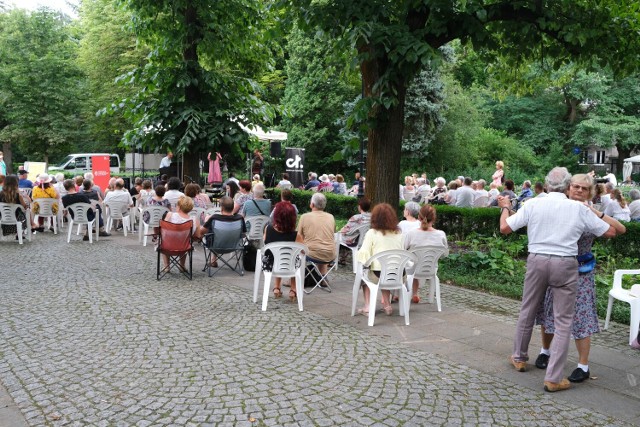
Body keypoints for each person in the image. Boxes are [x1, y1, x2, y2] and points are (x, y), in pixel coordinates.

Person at [499, 167, 615, 393]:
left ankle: (519, 357)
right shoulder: (578, 208)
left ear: (546, 184)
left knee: (528, 309)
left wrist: (505, 208)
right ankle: (553, 378)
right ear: (568, 186)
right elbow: (609, 232)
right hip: (565, 263)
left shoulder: (533, 203)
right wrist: (597, 214)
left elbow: (505, 228)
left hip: (537, 260)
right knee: (563, 320)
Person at [533, 174, 625, 384]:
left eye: (584, 188)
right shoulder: (558, 206)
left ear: (590, 192)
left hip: (581, 271)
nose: (579, 191)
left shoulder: (587, 212)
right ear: (567, 188)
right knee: (549, 310)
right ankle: (545, 351)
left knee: (581, 315)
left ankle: (583, 365)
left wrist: (593, 211)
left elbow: (619, 230)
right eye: (575, 186)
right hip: (554, 266)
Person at [355, 203, 404, 316]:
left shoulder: (372, 233)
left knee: (366, 272)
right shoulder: (399, 233)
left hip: (379, 275)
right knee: (384, 268)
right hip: (398, 274)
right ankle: (387, 305)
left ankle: (367, 306)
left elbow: (364, 255)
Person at [404, 204, 448, 303]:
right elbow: (445, 254)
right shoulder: (441, 234)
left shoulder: (411, 233)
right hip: (431, 268)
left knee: (410, 263)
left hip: (413, 269)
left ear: (419, 217)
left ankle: (404, 294)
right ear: (434, 218)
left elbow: (403, 250)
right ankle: (415, 293)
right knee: (415, 263)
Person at [262, 202, 303, 301]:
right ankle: (293, 290)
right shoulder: (296, 235)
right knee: (294, 257)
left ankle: (276, 287)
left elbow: (265, 243)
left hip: (270, 266)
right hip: (290, 266)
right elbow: (303, 250)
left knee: (276, 255)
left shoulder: (268, 229)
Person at [296, 192, 336, 278]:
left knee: (298, 246)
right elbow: (332, 234)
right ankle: (323, 277)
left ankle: (296, 278)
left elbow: (298, 236)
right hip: (330, 254)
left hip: (312, 253)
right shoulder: (331, 217)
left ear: (312, 204)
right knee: (321, 243)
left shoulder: (304, 217)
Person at [200, 196, 246, 268]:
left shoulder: (214, 218)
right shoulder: (240, 218)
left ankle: (213, 261)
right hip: (234, 246)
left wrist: (206, 221)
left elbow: (202, 232)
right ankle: (213, 260)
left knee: (213, 234)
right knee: (218, 234)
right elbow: (243, 233)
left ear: (221, 208)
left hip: (215, 246)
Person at [160, 196, 201, 272]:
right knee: (185, 240)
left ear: (179, 206)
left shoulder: (170, 215)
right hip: (184, 248)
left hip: (167, 247)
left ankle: (167, 266)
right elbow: (197, 236)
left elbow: (163, 229)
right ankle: (182, 266)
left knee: (165, 239)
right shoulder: (194, 220)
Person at [338, 197, 371, 264]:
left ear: (360, 206)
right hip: (366, 241)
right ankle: (343, 258)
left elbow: (346, 230)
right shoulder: (372, 217)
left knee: (337, 236)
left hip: (355, 241)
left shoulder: (356, 218)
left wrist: (341, 230)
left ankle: (331, 260)